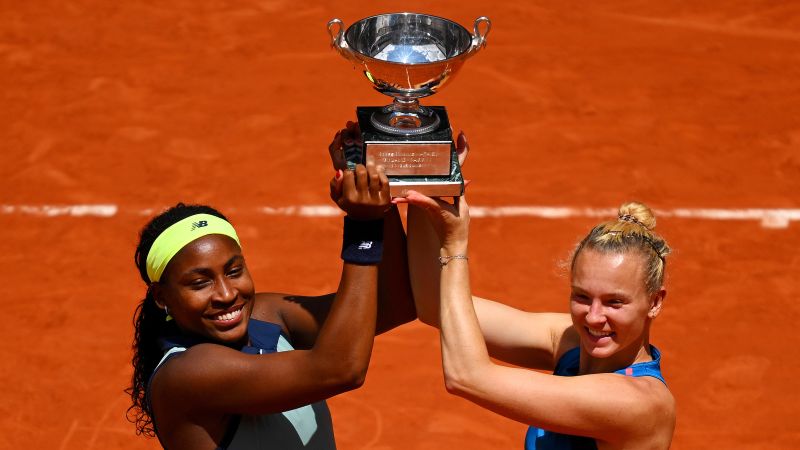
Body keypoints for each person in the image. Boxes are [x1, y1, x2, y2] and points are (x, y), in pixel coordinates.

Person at [126, 145, 416, 448]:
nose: (226, 294)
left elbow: (394, 304)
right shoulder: (187, 374)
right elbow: (339, 371)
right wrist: (363, 227)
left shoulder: (268, 315)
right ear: (161, 297)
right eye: (200, 283)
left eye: (234, 271)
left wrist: (377, 189)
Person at [398, 189, 676, 449]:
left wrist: (454, 247)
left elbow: (467, 376)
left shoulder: (637, 403)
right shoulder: (571, 340)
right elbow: (435, 303)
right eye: (581, 296)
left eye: (614, 302)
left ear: (654, 302)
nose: (593, 317)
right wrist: (429, 180)